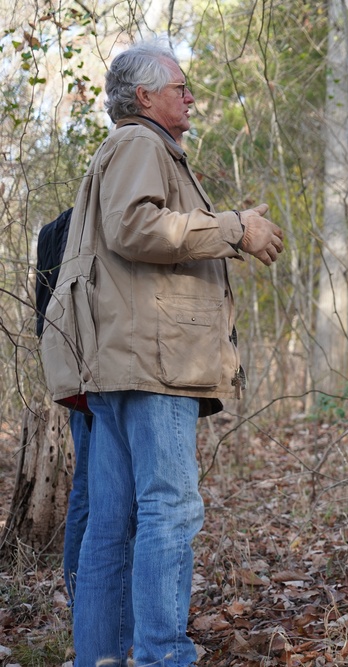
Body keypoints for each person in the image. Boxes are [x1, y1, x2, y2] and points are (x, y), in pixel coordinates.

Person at [40, 39, 284, 666]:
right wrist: (235, 229)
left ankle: (105, 656)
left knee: (112, 523)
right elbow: (136, 227)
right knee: (169, 511)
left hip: (128, 364)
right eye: (181, 86)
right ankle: (161, 655)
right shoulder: (141, 144)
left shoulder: (129, 147)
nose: (191, 96)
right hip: (153, 367)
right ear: (145, 95)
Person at [34, 207, 92, 606]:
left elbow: (43, 320)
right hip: (96, 379)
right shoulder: (76, 225)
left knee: (88, 495)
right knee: (93, 496)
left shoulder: (56, 229)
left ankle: (84, 607)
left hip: (80, 379)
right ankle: (86, 609)